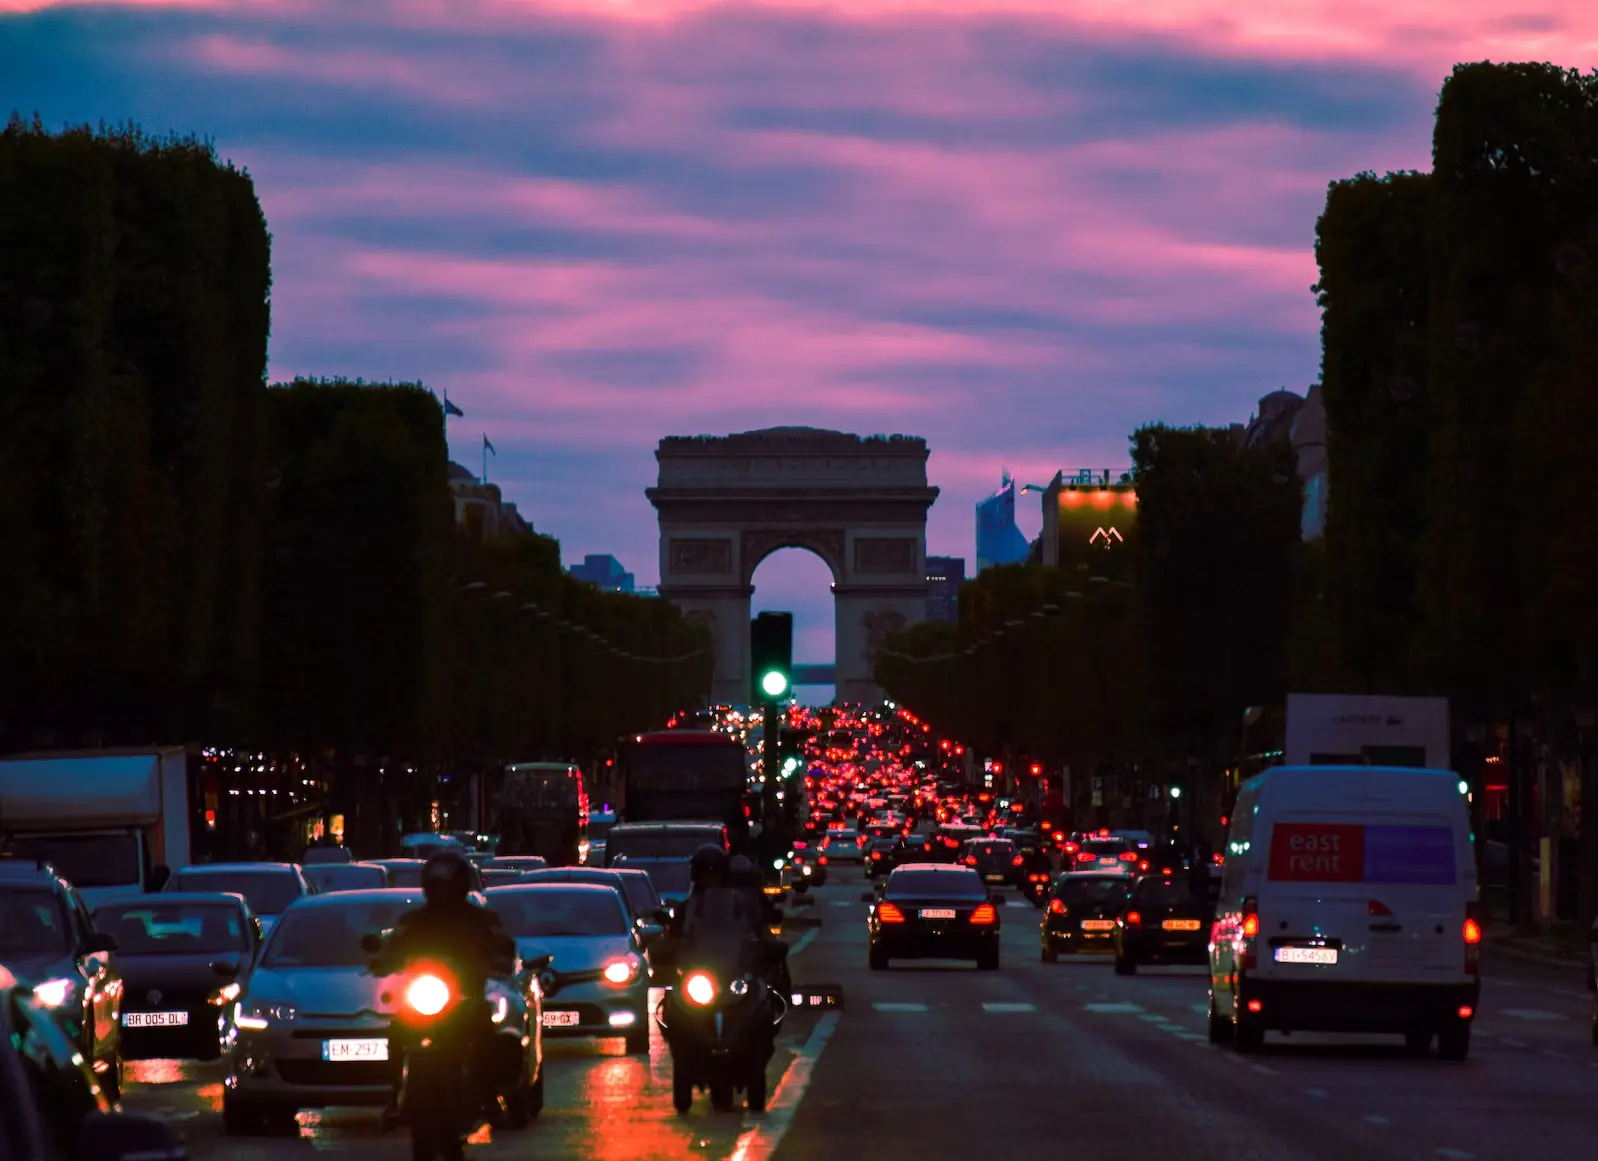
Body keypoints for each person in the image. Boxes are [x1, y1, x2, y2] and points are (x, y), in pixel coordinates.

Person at [369, 850, 515, 1124]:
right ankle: (395, 1093)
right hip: (422, 999)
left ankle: (490, 1094)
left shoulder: (479, 920)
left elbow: (502, 944)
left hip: (465, 998)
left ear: (460, 885)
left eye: (448, 885)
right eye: (437, 885)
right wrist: (382, 961)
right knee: (397, 1031)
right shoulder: (414, 921)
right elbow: (394, 947)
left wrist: (500, 961)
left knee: (485, 1032)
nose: (442, 891)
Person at [728, 854, 793, 996]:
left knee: (777, 952)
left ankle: (782, 994)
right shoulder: (710, 898)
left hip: (753, 940)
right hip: (724, 946)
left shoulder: (754, 894)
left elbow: (769, 914)